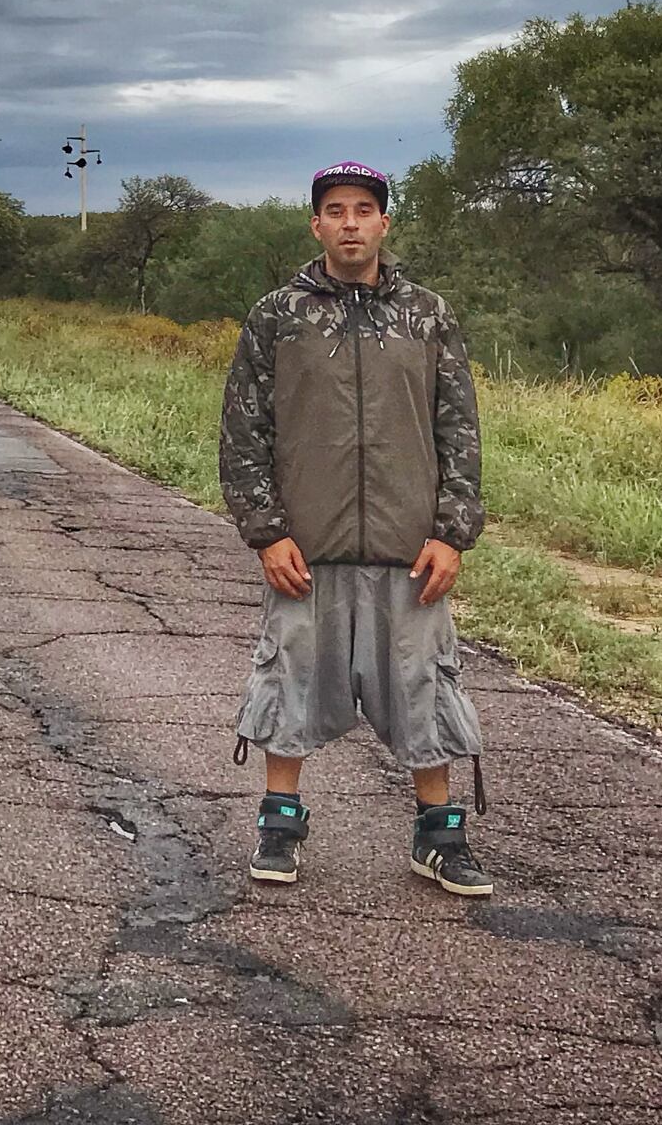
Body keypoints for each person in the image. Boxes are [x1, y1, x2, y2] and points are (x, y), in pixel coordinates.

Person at [219, 161, 491, 896]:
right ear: (315, 224)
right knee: (288, 683)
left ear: (383, 223)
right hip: (306, 548)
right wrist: (267, 530)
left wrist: (451, 532)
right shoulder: (278, 315)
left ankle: (438, 838)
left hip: (411, 551)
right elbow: (245, 432)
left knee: (424, 690)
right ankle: (280, 825)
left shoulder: (427, 314)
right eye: (334, 210)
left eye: (363, 210)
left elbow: (458, 428)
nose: (349, 223)